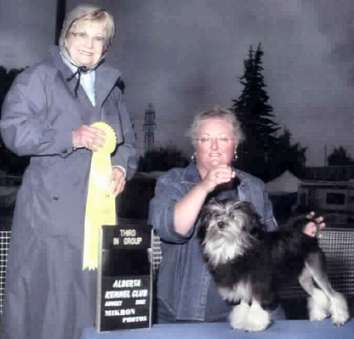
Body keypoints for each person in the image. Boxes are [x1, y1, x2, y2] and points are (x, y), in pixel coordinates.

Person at [0, 4, 137, 339]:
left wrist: (121, 168)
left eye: (99, 38)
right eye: (81, 34)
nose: (89, 44)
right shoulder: (37, 78)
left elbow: (129, 144)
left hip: (97, 217)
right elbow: (13, 130)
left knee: (89, 300)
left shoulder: (112, 91)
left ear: (107, 46)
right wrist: (69, 137)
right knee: (49, 303)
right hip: (48, 216)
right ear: (65, 35)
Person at [148, 106, 324, 323]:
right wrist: (205, 186)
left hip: (251, 300)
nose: (214, 147)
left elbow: (270, 245)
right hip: (186, 311)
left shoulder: (254, 187)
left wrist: (300, 234)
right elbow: (173, 229)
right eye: (205, 139)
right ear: (195, 146)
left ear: (235, 146)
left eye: (223, 139)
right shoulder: (172, 182)